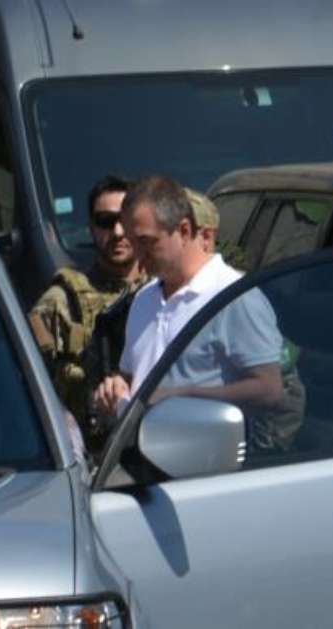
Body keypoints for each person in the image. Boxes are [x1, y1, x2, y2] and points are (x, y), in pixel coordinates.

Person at [92, 176, 295, 448]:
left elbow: (269, 389)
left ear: (184, 230)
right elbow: (131, 375)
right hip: (142, 454)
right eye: (133, 241)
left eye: (147, 242)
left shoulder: (234, 297)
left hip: (207, 461)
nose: (137, 254)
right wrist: (116, 386)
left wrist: (180, 396)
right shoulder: (144, 298)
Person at [28, 176, 143, 429]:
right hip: (86, 443)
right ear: (91, 228)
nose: (118, 232)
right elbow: (28, 383)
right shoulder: (60, 302)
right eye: (105, 221)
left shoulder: (163, 295)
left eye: (125, 220)